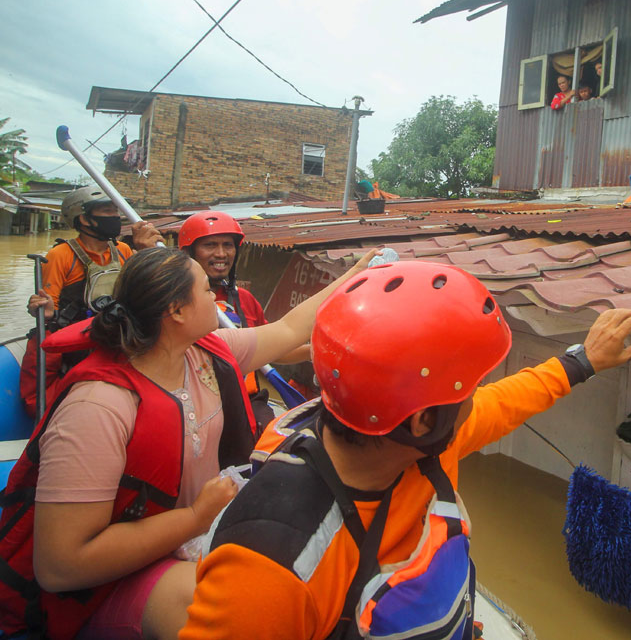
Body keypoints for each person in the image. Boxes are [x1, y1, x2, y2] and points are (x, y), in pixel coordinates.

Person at [180, 261, 631, 639]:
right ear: (423, 419)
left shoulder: (417, 445)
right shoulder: (267, 568)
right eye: (466, 389)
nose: (475, 399)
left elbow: (505, 402)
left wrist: (581, 362)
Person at [0, 245, 381, 640]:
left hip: (194, 535)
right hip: (107, 585)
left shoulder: (203, 355)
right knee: (229, 605)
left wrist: (354, 275)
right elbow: (61, 565)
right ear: (177, 312)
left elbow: (288, 330)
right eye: (204, 290)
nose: (216, 298)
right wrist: (196, 517)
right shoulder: (99, 406)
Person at [18, 185, 161, 415]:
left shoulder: (123, 250)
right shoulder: (61, 255)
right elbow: (50, 308)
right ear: (84, 219)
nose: (115, 217)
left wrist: (145, 253)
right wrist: (45, 310)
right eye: (107, 211)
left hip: (115, 334)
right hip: (76, 338)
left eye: (116, 211)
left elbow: (143, 293)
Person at [178, 211, 307, 425]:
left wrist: (312, 352)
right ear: (190, 252)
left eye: (228, 245)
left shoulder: (244, 299)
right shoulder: (173, 301)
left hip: (244, 401)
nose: (221, 254)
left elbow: (272, 347)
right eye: (210, 245)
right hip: (195, 403)